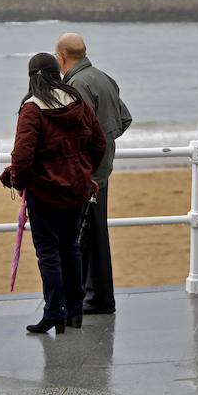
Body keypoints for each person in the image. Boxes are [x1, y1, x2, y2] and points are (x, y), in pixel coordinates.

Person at [0, 53, 106, 334]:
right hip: (75, 190)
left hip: (43, 193)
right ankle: (74, 311)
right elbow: (99, 142)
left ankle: (54, 312)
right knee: (70, 248)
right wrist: (84, 172)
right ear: (56, 73)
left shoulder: (32, 108)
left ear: (32, 76)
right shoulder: (77, 102)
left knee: (48, 254)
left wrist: (19, 182)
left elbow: (22, 157)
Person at [55, 33, 132, 315]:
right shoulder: (104, 78)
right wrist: (107, 145)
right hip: (102, 168)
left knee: (83, 236)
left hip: (87, 172)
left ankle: (94, 298)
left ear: (61, 57)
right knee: (96, 233)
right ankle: (100, 296)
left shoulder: (76, 84)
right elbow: (124, 119)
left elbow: (80, 131)